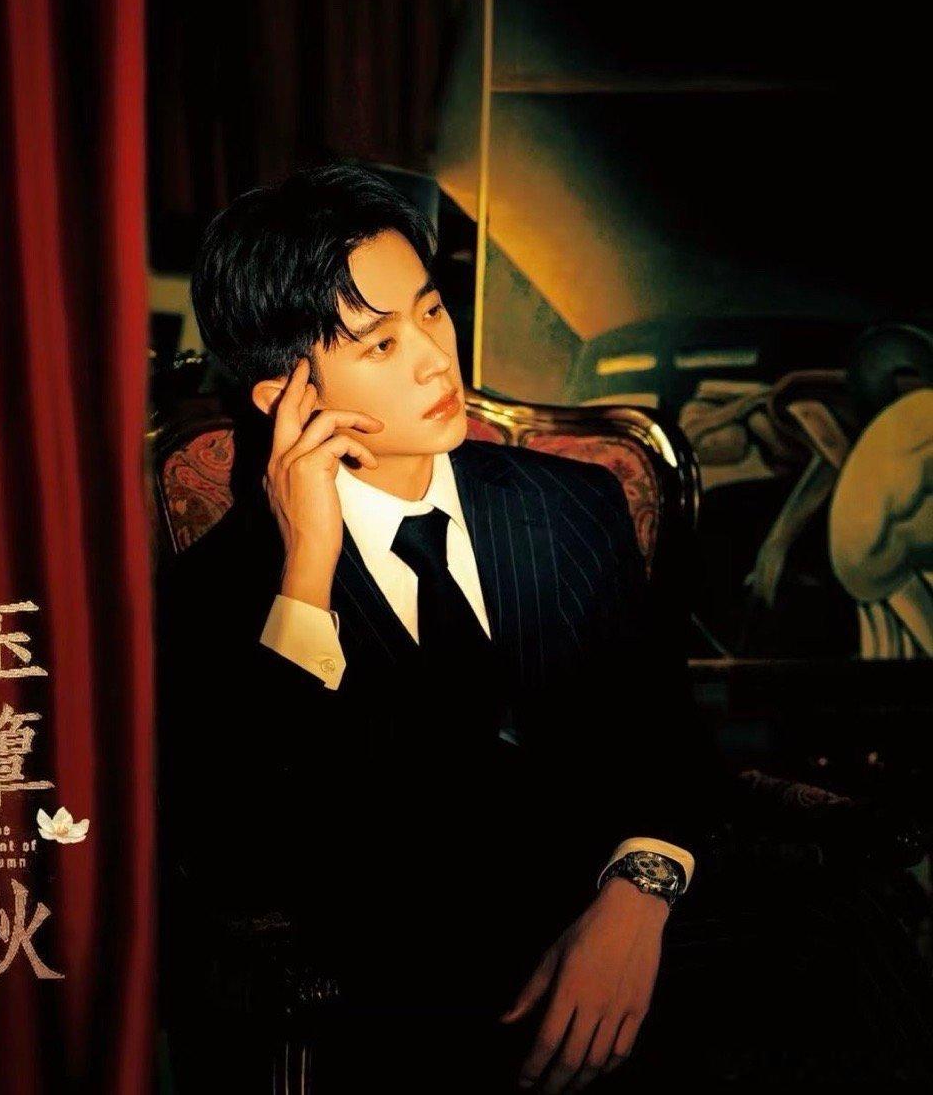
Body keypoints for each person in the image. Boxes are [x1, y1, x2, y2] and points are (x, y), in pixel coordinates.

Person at [155, 164, 933, 1092]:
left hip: (643, 929)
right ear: (284, 394)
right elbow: (243, 858)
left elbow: (667, 744)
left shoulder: (571, 504)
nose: (435, 359)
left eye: (431, 311)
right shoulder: (227, 589)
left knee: (847, 926)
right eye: (380, 343)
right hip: (432, 995)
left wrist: (637, 897)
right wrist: (310, 569)